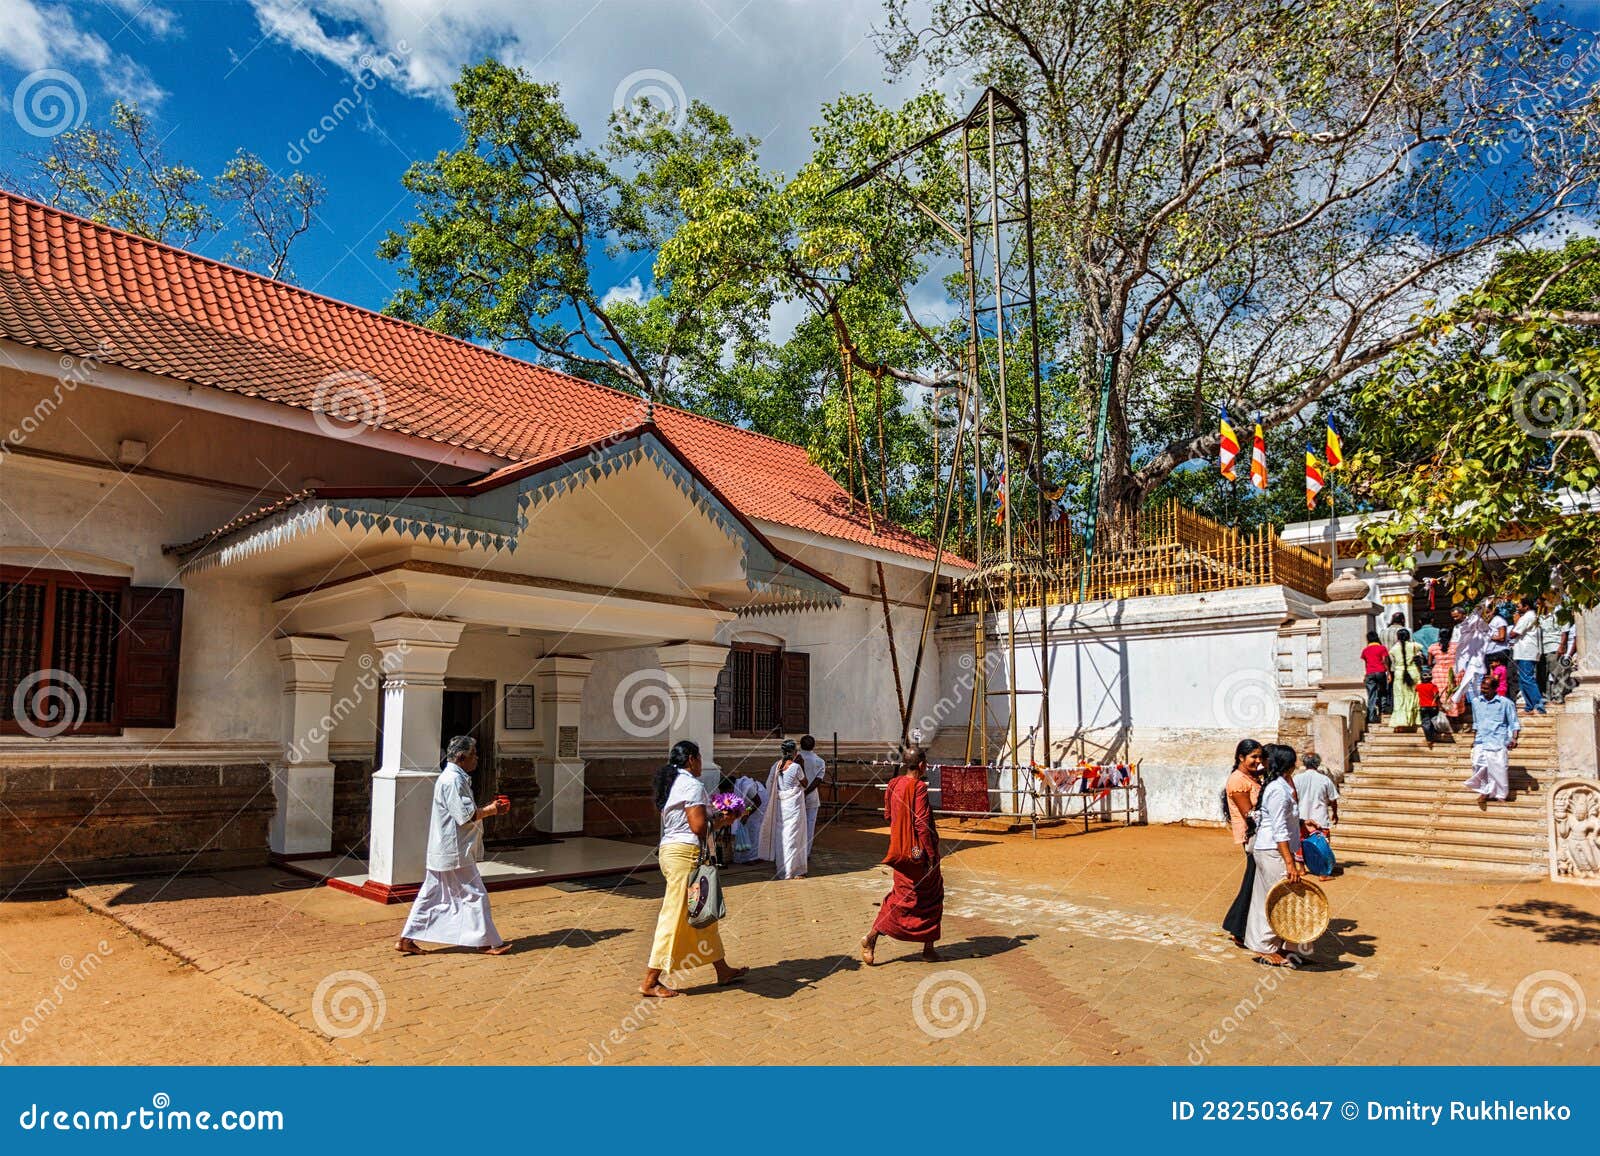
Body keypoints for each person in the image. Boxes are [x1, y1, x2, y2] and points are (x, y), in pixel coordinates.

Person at [640, 740, 748, 998]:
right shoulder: (691, 785)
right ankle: (650, 980)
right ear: (691, 759)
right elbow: (698, 826)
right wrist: (724, 820)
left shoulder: (672, 783)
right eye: (699, 758)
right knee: (675, 916)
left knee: (703, 913)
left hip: (673, 851)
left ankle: (722, 969)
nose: (701, 763)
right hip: (684, 855)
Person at [397, 736, 510, 956]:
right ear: (461, 757)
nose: (476, 758)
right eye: (473, 754)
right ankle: (485, 942)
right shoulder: (452, 781)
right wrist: (492, 809)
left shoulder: (454, 778)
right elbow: (465, 816)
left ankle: (406, 938)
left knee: (430, 894)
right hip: (454, 851)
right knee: (475, 895)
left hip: (446, 850)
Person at [861, 744, 943, 965]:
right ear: (923, 765)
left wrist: (902, 833)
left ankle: (927, 946)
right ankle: (874, 937)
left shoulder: (893, 784)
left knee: (904, 895)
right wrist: (931, 854)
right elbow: (922, 824)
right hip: (917, 852)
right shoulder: (918, 788)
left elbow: (888, 815)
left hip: (900, 849)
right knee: (925, 896)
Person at [1246, 744, 1304, 968]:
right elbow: (1279, 828)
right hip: (1273, 850)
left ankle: (1278, 945)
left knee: (1269, 897)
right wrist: (1290, 861)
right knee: (1278, 899)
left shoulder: (1281, 786)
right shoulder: (1278, 790)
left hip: (1272, 849)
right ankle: (1268, 948)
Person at [1220, 739, 1266, 948]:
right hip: (1252, 834)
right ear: (1241, 757)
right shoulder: (1238, 780)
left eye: (1259, 757)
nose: (1257, 761)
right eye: (1253, 757)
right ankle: (1238, 927)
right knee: (1252, 880)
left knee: (1254, 879)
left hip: (1259, 833)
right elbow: (1249, 813)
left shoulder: (1252, 776)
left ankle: (1240, 925)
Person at [1463, 673, 1521, 808]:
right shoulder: (1476, 702)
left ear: (1495, 689)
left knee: (1498, 769)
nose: (1483, 691)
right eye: (1482, 688)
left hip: (1498, 740)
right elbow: (1476, 723)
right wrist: (1474, 739)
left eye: (1486, 688)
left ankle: (1498, 794)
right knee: (1478, 764)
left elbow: (1514, 722)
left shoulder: (1506, 703)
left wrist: (1514, 737)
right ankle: (1485, 791)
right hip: (1481, 740)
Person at [757, 738, 809, 879]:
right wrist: (802, 765)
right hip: (793, 806)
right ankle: (791, 870)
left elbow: (769, 784)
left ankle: (783, 868)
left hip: (780, 804)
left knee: (782, 835)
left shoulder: (776, 766)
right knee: (792, 836)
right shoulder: (796, 767)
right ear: (794, 753)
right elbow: (805, 783)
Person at [1296, 752, 1338, 880]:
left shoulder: (1296, 779)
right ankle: (1323, 873)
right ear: (1318, 763)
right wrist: (1335, 813)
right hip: (1319, 818)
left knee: (1301, 843)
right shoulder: (1325, 780)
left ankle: (1301, 869)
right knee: (1321, 845)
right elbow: (1333, 799)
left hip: (1302, 818)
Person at [1451, 601, 1493, 718]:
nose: (1454, 619)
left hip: (1476, 656)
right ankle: (1474, 708)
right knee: (1467, 683)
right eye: (1453, 617)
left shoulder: (1475, 623)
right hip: (1464, 658)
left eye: (1456, 616)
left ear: (1464, 615)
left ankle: (1482, 708)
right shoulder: (1457, 628)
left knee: (1477, 681)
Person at [1510, 596, 1548, 714]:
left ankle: (1538, 703)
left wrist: (1515, 622)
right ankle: (1530, 705)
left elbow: (1513, 634)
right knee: (1523, 680)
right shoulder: (1530, 616)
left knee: (1527, 678)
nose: (1517, 607)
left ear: (1526, 606)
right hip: (1523, 652)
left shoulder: (1527, 617)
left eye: (1519, 605)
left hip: (1526, 652)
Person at [729, 765, 768, 864]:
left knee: (754, 828)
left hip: (760, 800)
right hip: (751, 803)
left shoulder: (746, 786)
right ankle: (745, 856)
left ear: (731, 787)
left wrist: (747, 813)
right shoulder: (734, 789)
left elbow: (757, 802)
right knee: (745, 827)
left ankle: (753, 857)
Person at [1388, 627, 1425, 728]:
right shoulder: (1414, 646)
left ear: (1398, 637)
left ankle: (1401, 721)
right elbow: (1422, 651)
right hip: (1413, 672)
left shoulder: (1394, 649)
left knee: (1400, 697)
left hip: (1399, 673)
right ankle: (1415, 720)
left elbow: (1391, 660)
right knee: (1414, 696)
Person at [797, 734, 827, 857]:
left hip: (795, 796)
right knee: (809, 826)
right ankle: (806, 853)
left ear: (800, 745)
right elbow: (818, 780)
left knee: (796, 825)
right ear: (814, 746)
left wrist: (802, 792)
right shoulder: (819, 761)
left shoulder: (795, 760)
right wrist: (807, 791)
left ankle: (795, 852)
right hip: (811, 797)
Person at [1429, 625, 1465, 727]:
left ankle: (1446, 717)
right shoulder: (1457, 646)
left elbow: (1429, 663)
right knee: (1455, 694)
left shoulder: (1433, 647)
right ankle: (1456, 717)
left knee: (1442, 695)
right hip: (1454, 671)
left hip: (1439, 673)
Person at [1361, 630, 1389, 724]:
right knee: (1383, 691)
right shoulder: (1382, 648)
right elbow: (1385, 661)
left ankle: (1371, 716)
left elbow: (1366, 663)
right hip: (1381, 672)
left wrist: (1366, 674)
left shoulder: (1365, 650)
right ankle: (1383, 710)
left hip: (1370, 673)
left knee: (1371, 695)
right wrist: (1388, 672)